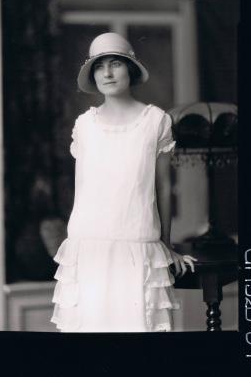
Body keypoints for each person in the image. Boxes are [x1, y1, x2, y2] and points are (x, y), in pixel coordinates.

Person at [51, 32, 197, 332]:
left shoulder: (155, 121)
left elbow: (163, 187)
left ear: (130, 68)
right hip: (88, 247)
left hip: (138, 243)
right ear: (92, 74)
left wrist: (166, 244)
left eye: (115, 63)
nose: (107, 72)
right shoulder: (84, 125)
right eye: (99, 65)